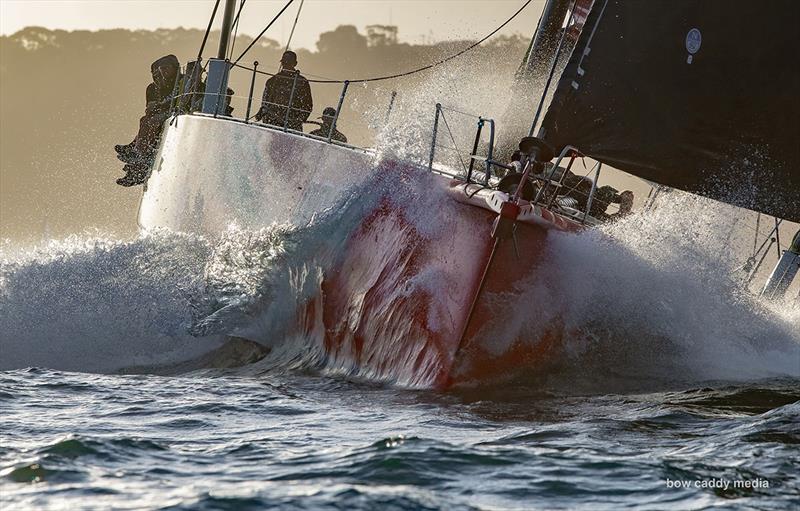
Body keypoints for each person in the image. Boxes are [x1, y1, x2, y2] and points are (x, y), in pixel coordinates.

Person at [115, 54, 182, 186]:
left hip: (174, 115)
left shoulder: (183, 82)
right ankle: (136, 160)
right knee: (146, 120)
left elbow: (179, 102)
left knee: (151, 121)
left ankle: (137, 151)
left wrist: (160, 107)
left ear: (175, 68)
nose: (162, 71)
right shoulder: (153, 88)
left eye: (166, 67)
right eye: (159, 69)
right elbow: (151, 108)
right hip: (160, 116)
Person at [255, 51, 313, 131]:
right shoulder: (272, 81)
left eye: (288, 62)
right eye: (285, 62)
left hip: (287, 125)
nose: (286, 64)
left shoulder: (301, 82)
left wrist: (297, 121)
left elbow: (307, 107)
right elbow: (265, 104)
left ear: (295, 63)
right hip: (274, 123)